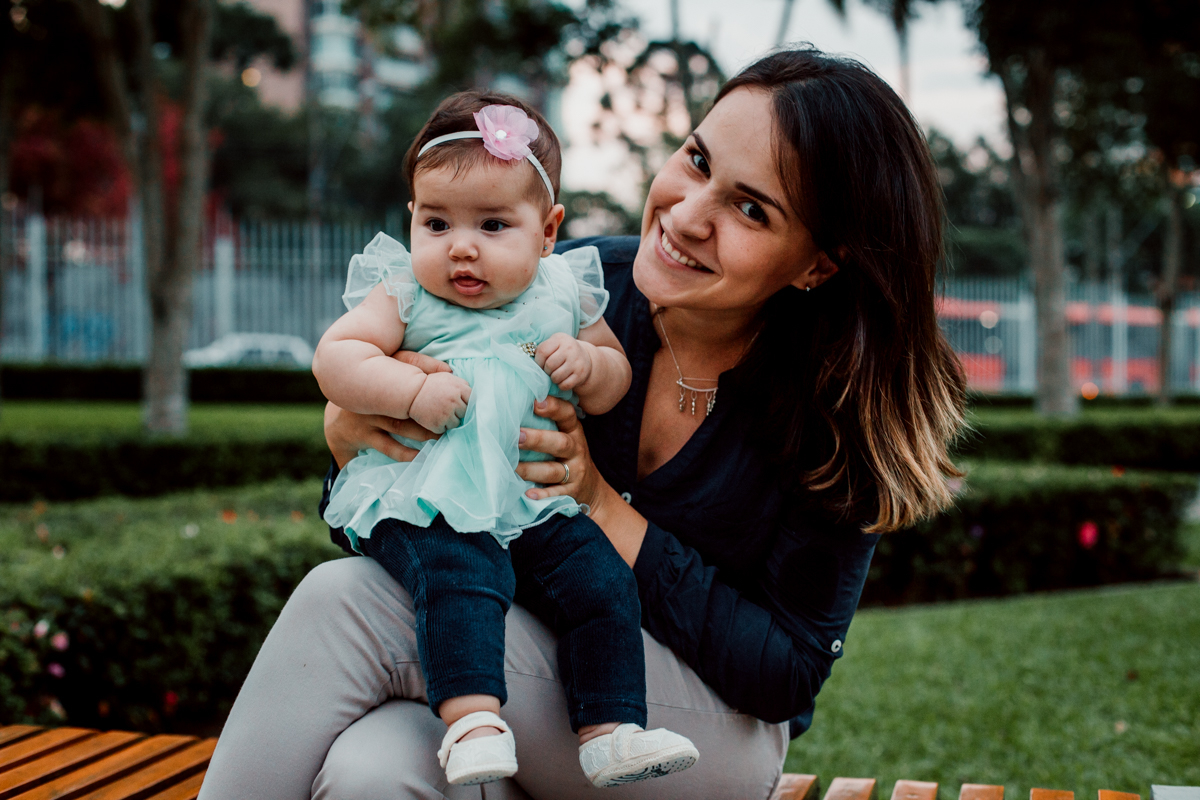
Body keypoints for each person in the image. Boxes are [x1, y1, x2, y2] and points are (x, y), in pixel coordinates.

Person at [199, 45, 966, 800]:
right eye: (698, 161)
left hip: (707, 732)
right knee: (376, 765)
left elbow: (784, 675)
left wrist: (600, 505)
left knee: (349, 603)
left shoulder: (842, 407)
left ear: (817, 264)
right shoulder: (559, 285)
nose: (687, 215)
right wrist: (352, 438)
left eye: (750, 209)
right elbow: (420, 512)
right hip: (528, 678)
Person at [311, 91, 697, 788]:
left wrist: (589, 366)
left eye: (492, 224)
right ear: (412, 218)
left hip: (530, 499)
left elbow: (613, 381)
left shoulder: (563, 290)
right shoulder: (406, 293)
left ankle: (610, 731)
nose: (461, 246)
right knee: (462, 577)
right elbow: (335, 358)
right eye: (436, 223)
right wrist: (408, 391)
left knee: (602, 581)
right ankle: (472, 724)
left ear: (547, 232)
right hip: (432, 497)